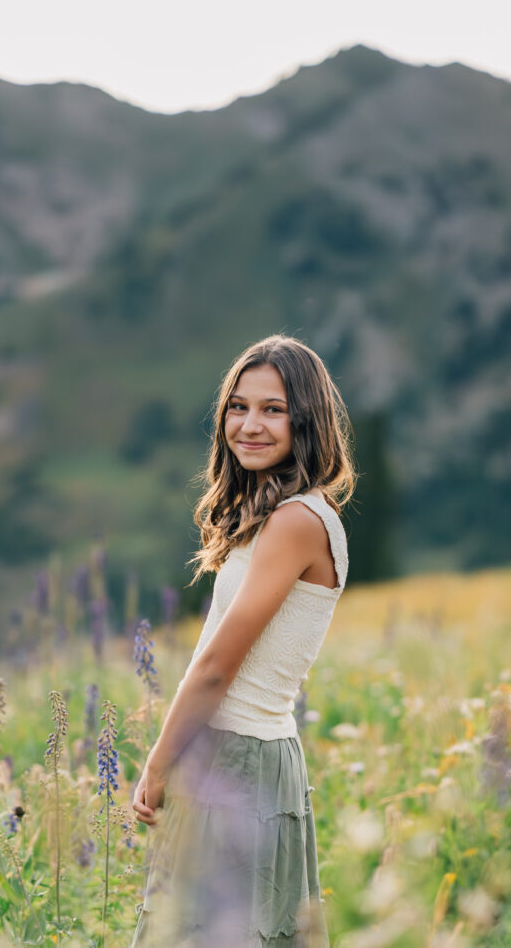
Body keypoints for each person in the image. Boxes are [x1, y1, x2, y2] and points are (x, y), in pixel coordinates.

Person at [129, 333, 356, 948]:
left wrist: (158, 763)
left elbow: (214, 669)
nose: (249, 425)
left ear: (306, 420)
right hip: (249, 754)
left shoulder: (295, 521)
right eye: (238, 407)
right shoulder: (288, 515)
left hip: (240, 759)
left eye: (273, 409)